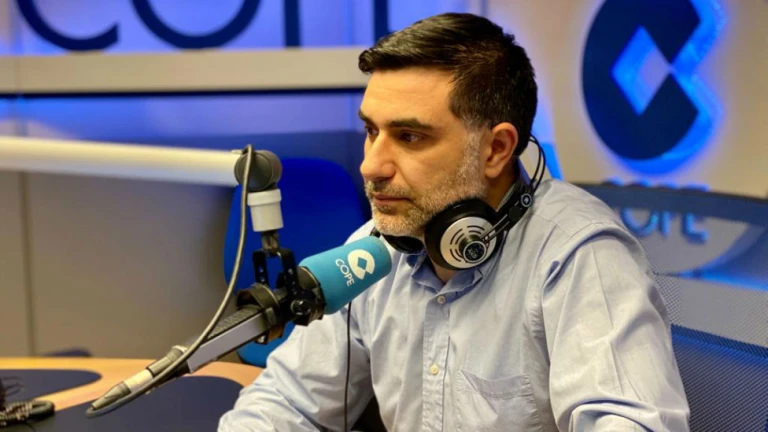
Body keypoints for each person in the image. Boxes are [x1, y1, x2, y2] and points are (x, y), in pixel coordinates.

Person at [219, 12, 689, 431]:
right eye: (371, 131)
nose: (371, 165)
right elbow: (286, 401)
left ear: (496, 149)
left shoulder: (579, 255)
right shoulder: (375, 249)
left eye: (409, 136)